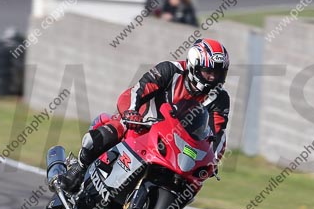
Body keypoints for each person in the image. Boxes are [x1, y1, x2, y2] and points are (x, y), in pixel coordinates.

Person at [61, 38, 230, 195]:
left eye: (218, 73)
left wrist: (213, 159)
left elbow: (218, 132)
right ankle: (79, 169)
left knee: (191, 184)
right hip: (141, 125)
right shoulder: (170, 70)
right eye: (208, 71)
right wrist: (131, 112)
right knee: (107, 133)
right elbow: (138, 90)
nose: (213, 77)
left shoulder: (220, 98)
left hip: (176, 145)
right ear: (194, 65)